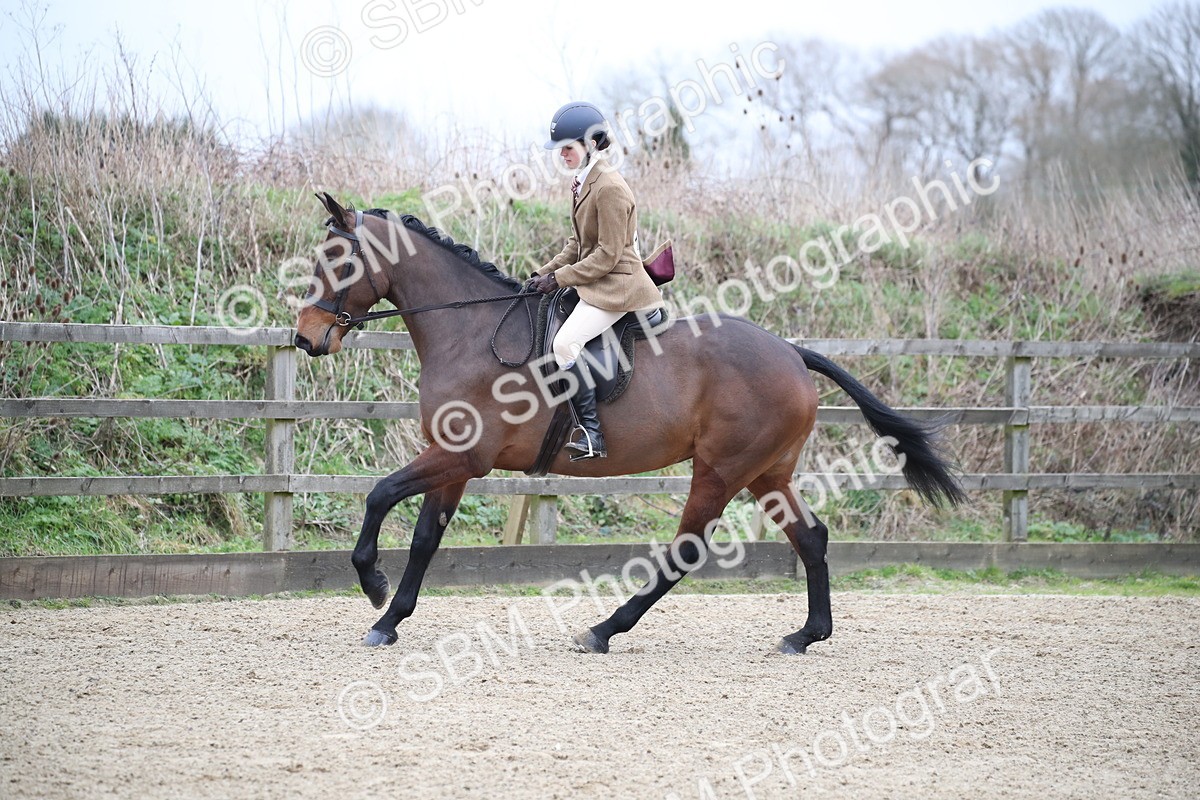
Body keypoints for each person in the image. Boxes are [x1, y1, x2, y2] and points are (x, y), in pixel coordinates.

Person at [529, 101, 664, 460]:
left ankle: (592, 434)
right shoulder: (583, 182)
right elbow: (577, 244)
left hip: (618, 286)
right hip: (596, 281)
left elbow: (606, 255)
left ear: (590, 144)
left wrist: (559, 279)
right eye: (561, 150)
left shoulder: (610, 188)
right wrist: (541, 274)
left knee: (564, 344)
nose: (563, 155)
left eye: (568, 148)